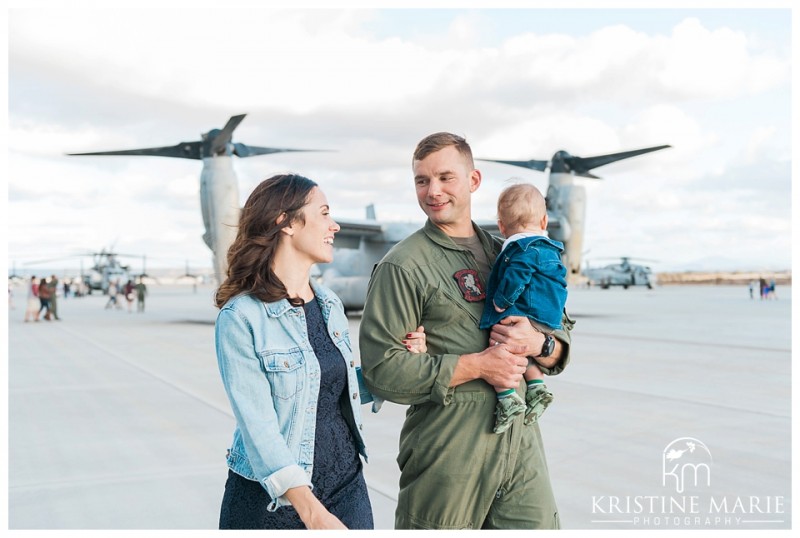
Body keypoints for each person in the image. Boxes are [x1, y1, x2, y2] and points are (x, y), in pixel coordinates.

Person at [359, 132, 573, 530]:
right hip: (449, 459)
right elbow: (381, 371)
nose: (433, 191)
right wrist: (478, 365)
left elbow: (558, 342)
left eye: (445, 178)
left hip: (521, 453)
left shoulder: (512, 251)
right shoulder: (403, 266)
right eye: (422, 180)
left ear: (474, 181)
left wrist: (539, 343)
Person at [213, 173, 425, 530]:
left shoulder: (329, 304)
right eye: (324, 213)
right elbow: (259, 427)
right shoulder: (241, 317)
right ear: (287, 222)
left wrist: (401, 358)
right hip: (272, 500)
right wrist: (311, 512)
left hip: (346, 487)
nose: (335, 225)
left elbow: (334, 390)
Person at [478, 183, 567, 433]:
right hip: (548, 317)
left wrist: (501, 301)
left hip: (526, 310)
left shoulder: (521, 249)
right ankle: (537, 388)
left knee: (499, 349)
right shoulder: (549, 248)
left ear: (502, 226)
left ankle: (507, 398)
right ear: (544, 220)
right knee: (521, 351)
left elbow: (517, 277)